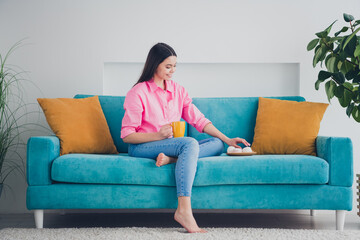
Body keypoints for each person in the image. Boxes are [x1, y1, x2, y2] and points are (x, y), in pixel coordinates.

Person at [121, 42, 250, 233]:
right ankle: (183, 210)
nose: (172, 71)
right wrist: (157, 135)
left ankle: (173, 159)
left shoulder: (178, 90)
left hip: (172, 147)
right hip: (142, 146)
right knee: (189, 144)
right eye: (168, 66)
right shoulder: (138, 92)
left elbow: (199, 120)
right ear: (155, 64)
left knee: (216, 144)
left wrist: (228, 139)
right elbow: (127, 136)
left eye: (174, 66)